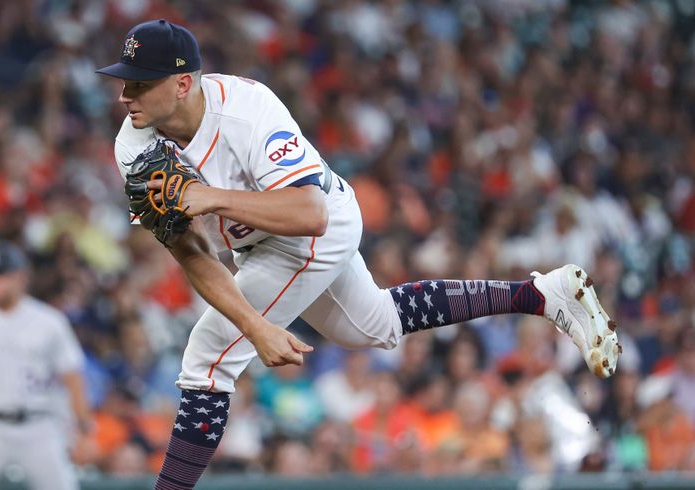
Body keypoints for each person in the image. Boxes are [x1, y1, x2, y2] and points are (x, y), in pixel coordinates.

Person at [96, 19, 621, 490]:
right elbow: (193, 254)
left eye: (140, 82)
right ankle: (540, 295)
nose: (125, 94)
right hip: (258, 244)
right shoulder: (134, 147)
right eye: (124, 79)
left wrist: (211, 198)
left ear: (183, 83)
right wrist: (256, 328)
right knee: (375, 327)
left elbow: (309, 214)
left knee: (206, 358)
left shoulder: (246, 110)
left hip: (314, 226)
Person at [0, 242, 92, 490]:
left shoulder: (49, 322)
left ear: (20, 277)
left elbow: (72, 377)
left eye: (0, 276)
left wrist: (84, 430)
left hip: (39, 427)